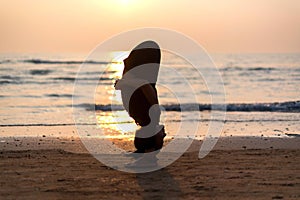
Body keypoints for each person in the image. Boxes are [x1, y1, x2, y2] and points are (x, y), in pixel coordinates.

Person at [114, 40, 166, 159]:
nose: (164, 134)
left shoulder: (144, 118)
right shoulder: (150, 117)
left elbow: (145, 84)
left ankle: (144, 151)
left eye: (161, 137)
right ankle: (145, 151)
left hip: (138, 71)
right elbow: (145, 84)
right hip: (141, 70)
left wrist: (124, 82)